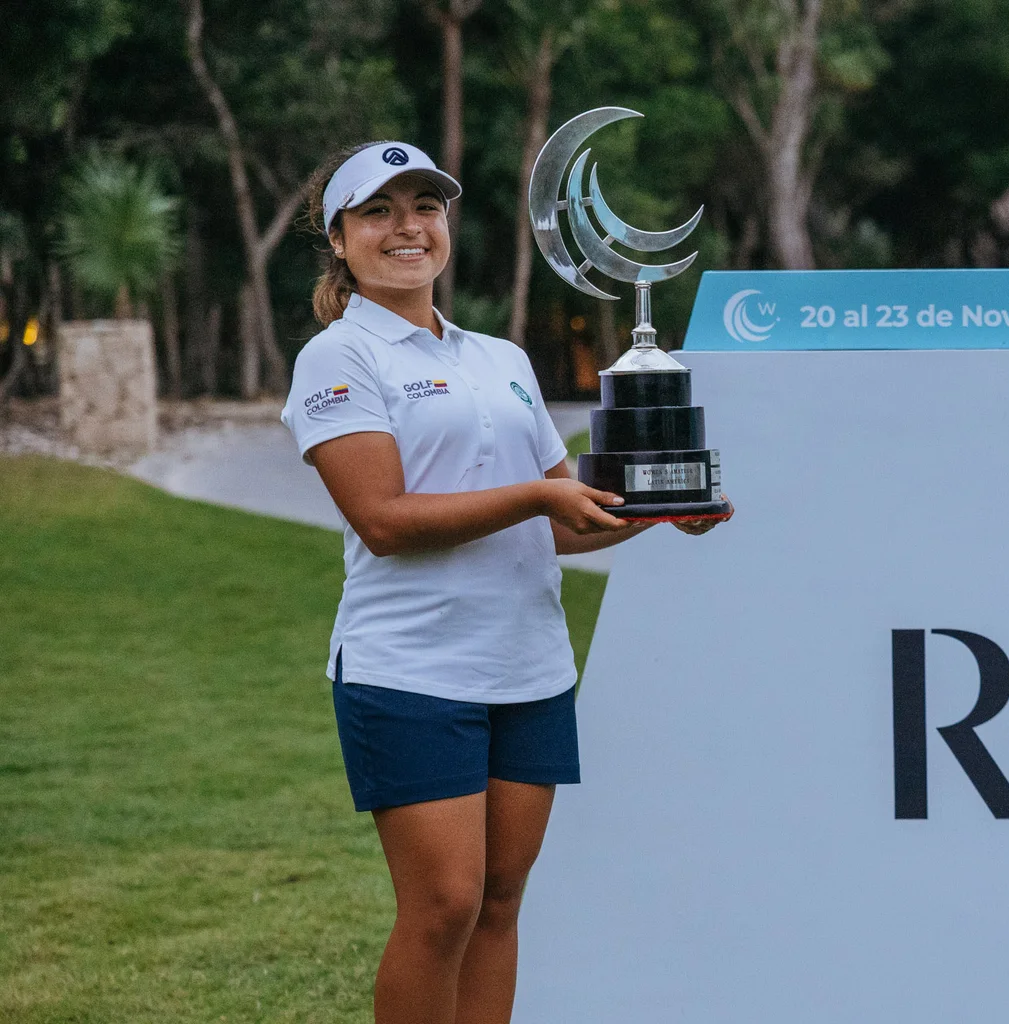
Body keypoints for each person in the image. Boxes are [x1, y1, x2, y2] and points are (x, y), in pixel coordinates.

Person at [279, 140, 715, 1024]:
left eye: (426, 206)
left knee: (501, 902)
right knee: (442, 906)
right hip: (409, 670)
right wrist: (534, 492)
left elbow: (562, 522)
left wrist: (655, 506)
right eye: (380, 211)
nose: (409, 227)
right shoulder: (339, 358)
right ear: (339, 238)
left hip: (528, 666)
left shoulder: (503, 358)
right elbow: (384, 521)